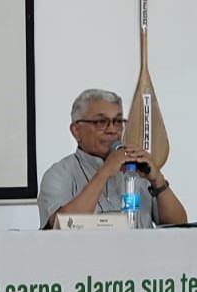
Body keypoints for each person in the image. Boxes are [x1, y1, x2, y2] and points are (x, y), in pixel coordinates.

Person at [37, 88, 187, 229]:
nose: (112, 130)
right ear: (76, 130)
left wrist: (158, 180)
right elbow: (62, 226)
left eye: (117, 121)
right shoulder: (58, 174)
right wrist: (105, 171)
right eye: (101, 122)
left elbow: (179, 225)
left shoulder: (137, 170)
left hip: (141, 254)